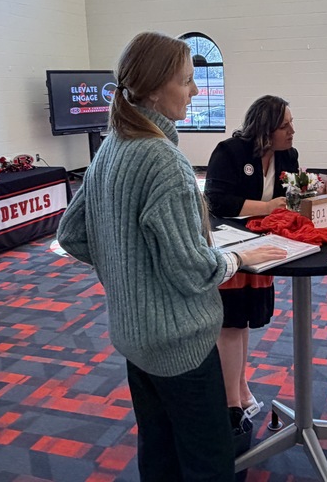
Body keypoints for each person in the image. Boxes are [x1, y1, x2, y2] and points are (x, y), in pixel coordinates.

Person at [56, 32, 285, 482]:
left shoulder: (112, 147)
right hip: (180, 342)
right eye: (186, 81)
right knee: (208, 461)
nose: (195, 91)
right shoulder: (162, 158)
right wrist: (238, 260)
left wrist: (128, 273)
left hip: (134, 334)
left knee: (159, 453)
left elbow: (72, 234)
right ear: (155, 88)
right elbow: (192, 268)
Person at [204, 95, 298, 419]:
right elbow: (216, 202)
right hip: (231, 246)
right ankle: (230, 404)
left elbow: (292, 200)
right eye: (285, 125)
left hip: (262, 246)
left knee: (242, 320)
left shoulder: (288, 155)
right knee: (230, 323)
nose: (292, 131)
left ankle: (240, 387)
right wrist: (267, 208)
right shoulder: (229, 152)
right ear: (265, 128)